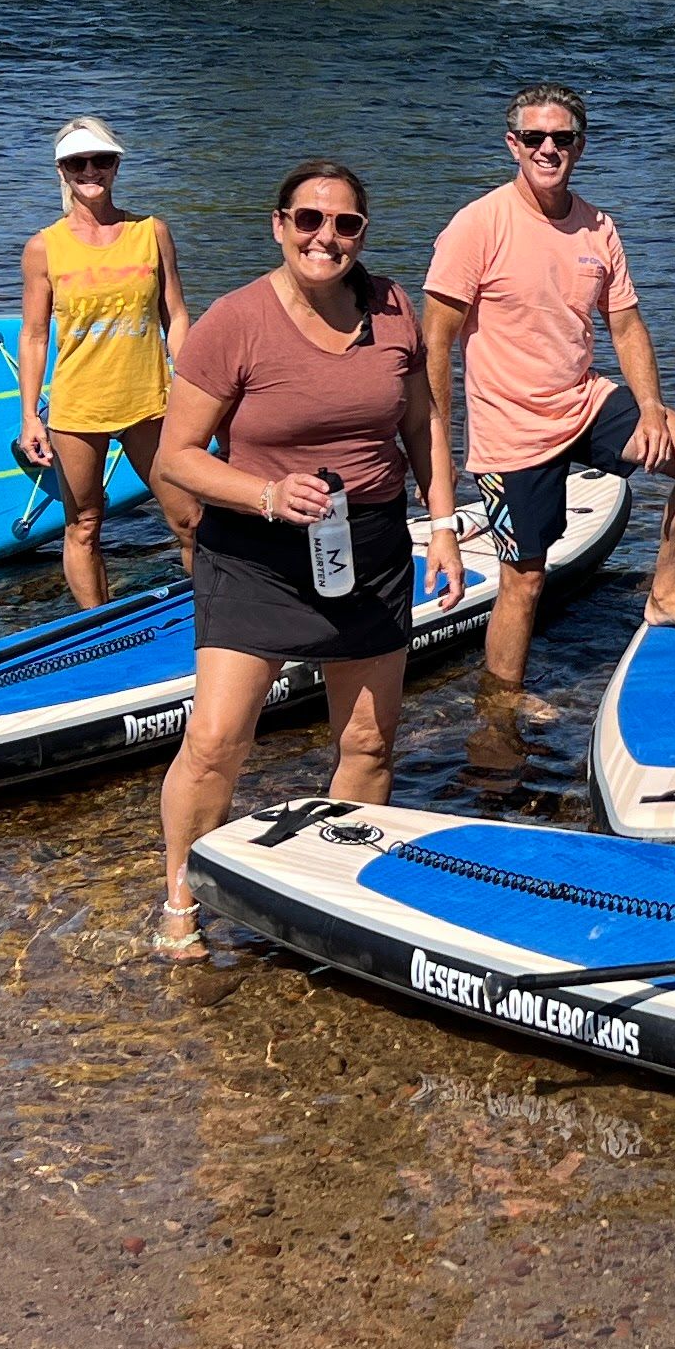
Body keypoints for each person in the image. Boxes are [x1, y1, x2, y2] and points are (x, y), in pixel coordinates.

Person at [145, 160, 462, 960]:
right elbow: (176, 458)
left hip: (371, 546)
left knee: (367, 744)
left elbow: (423, 425)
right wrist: (264, 495)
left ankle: (329, 891)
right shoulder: (234, 321)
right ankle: (182, 895)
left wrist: (445, 524)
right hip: (255, 550)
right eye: (309, 220)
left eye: (345, 223)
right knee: (217, 741)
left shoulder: (395, 311)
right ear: (279, 224)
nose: (327, 238)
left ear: (363, 232)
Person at [424, 83, 675, 751]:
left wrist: (649, 407)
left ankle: (664, 593)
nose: (548, 149)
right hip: (511, 430)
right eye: (535, 138)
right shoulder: (479, 224)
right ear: (513, 144)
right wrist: (440, 447)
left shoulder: (598, 226)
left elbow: (624, 325)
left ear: (580, 146)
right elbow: (436, 341)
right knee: (524, 580)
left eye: (562, 138)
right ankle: (498, 710)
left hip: (585, 400)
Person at [13, 117, 198, 609]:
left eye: (101, 160)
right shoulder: (44, 247)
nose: (90, 170)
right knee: (84, 524)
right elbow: (33, 336)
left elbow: (175, 316)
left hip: (150, 401)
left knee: (189, 519)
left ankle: (216, 620)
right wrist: (31, 416)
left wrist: (197, 386)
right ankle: (98, 629)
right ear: (63, 170)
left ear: (116, 166)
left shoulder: (151, 232)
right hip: (78, 409)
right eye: (78, 162)